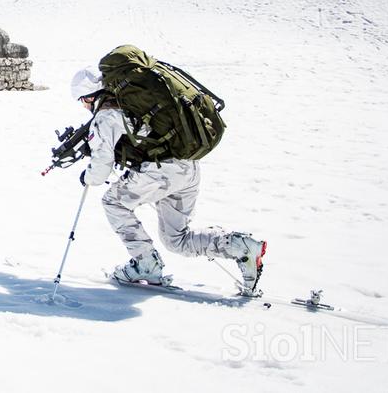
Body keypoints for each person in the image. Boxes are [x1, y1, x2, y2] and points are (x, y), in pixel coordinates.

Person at [70, 66, 267, 295]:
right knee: (176, 239)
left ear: (88, 96)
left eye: (82, 101)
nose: (84, 107)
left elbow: (100, 169)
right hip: (187, 165)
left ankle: (146, 264)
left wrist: (89, 175)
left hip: (162, 171)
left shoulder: (106, 115)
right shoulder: (134, 102)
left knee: (113, 203)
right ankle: (241, 247)